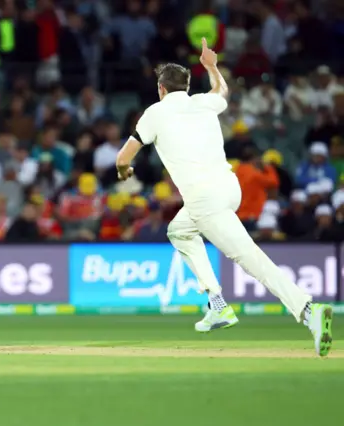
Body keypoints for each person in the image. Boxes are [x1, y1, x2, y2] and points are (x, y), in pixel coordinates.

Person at [114, 38, 333, 357]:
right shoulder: (203, 102)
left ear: (161, 88)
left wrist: (124, 173)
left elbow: (124, 157)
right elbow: (223, 93)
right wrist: (212, 66)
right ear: (185, 87)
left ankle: (309, 311)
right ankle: (216, 302)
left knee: (251, 259)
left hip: (205, 199)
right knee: (179, 230)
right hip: (229, 188)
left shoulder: (155, 113)